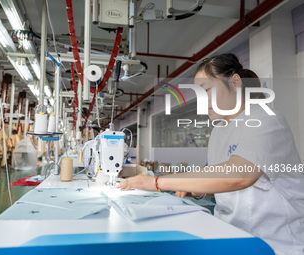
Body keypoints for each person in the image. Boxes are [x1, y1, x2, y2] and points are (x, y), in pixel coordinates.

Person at [118, 54, 304, 255]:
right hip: (230, 236)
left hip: (274, 244)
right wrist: (201, 190)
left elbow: (240, 175)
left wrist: (157, 182)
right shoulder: (219, 131)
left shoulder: (266, 120)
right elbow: (223, 179)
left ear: (234, 82)